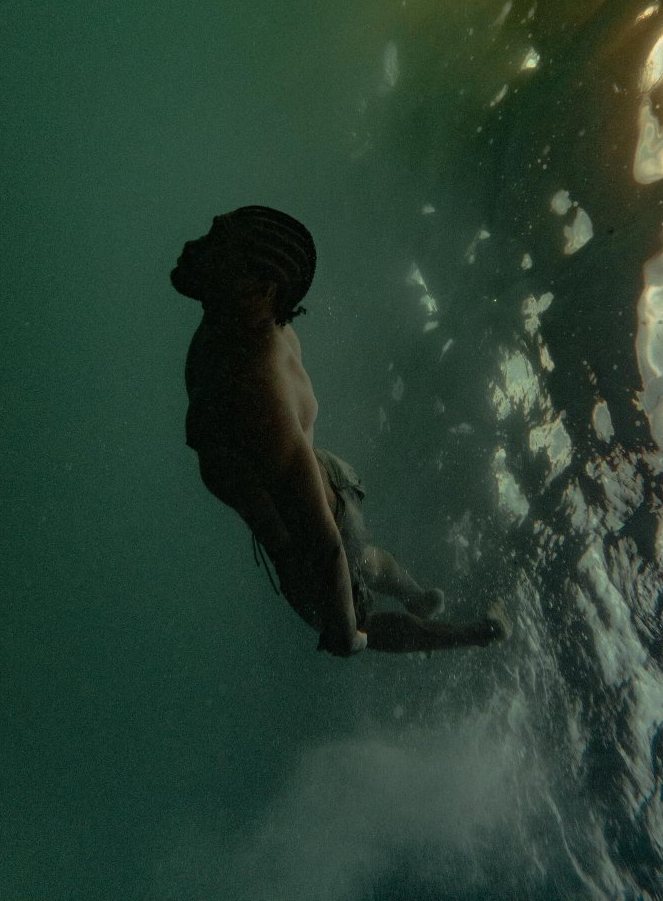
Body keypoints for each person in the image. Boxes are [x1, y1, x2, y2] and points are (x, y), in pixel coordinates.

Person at [171, 205, 506, 657]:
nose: (194, 247)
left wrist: (345, 633)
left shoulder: (254, 390)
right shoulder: (248, 322)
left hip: (308, 533)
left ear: (258, 290)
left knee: (360, 614)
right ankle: (418, 595)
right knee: (364, 559)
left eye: (218, 249)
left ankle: (475, 634)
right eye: (212, 234)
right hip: (323, 478)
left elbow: (324, 544)